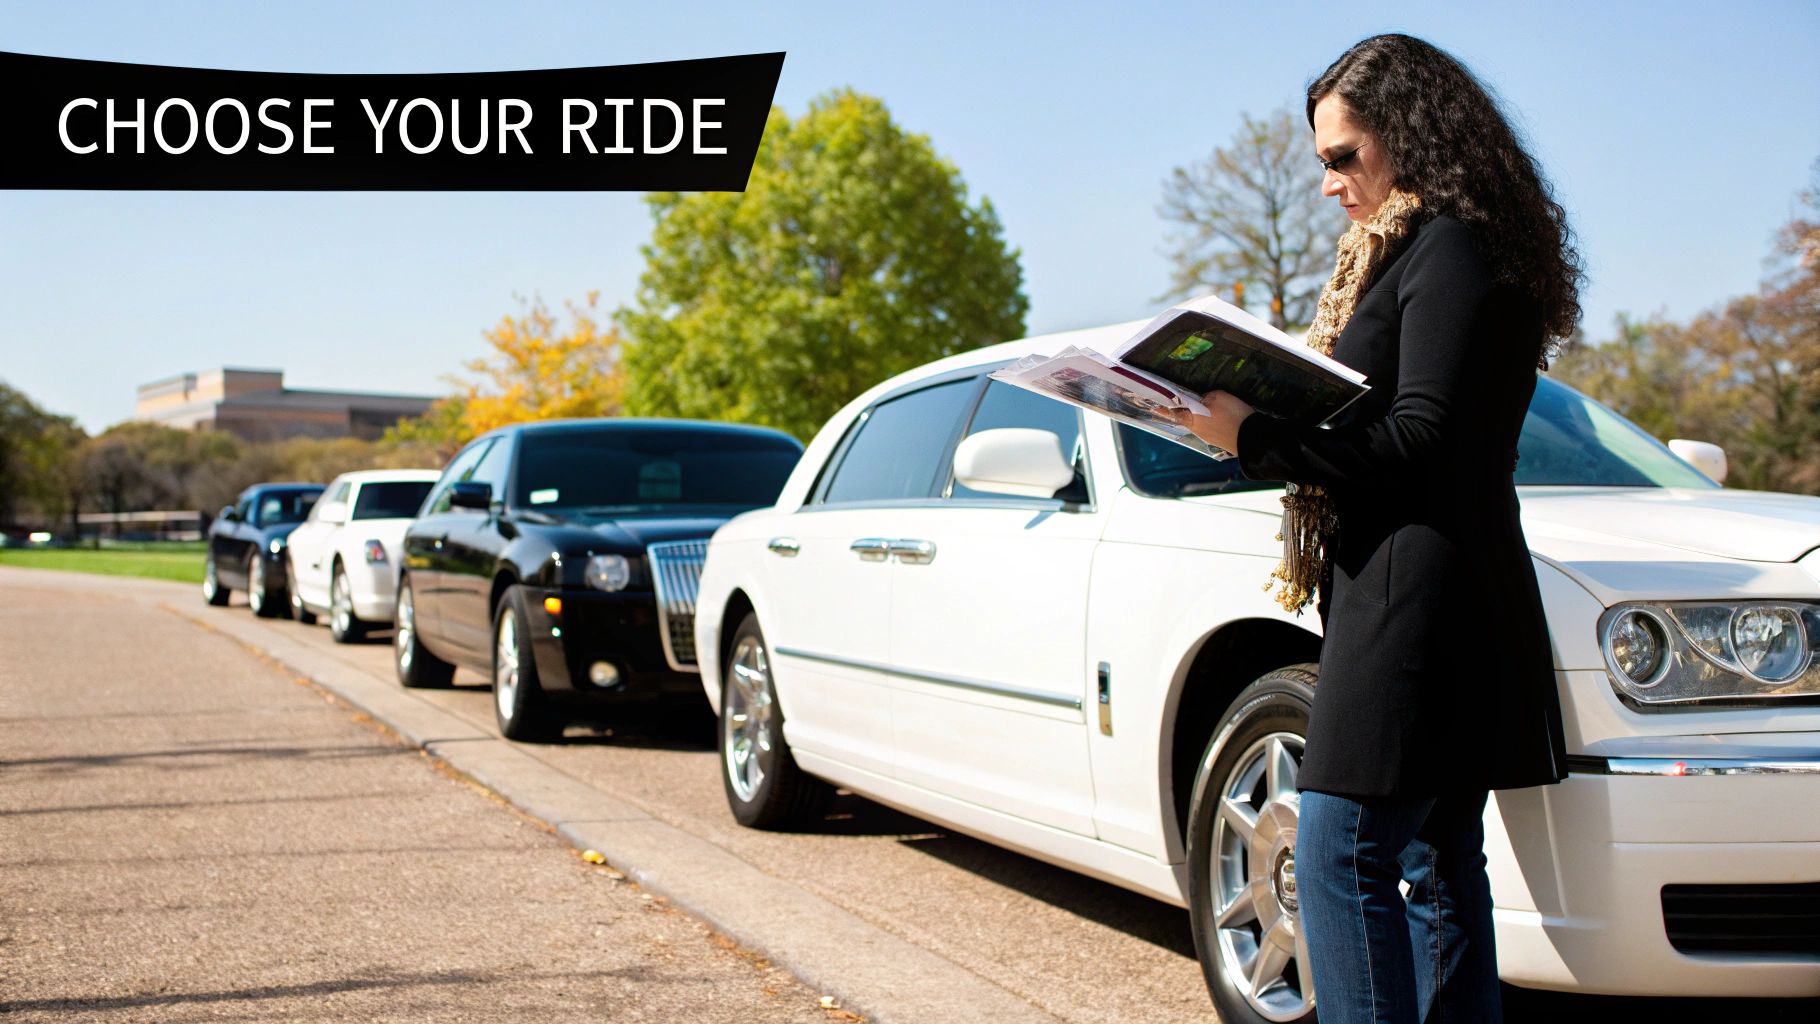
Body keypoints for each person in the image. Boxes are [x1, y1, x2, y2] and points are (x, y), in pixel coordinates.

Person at [1159, 33, 1583, 1024]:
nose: (1327, 184)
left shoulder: (1449, 249)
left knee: (1339, 851)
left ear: (1409, 136)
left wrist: (1254, 433)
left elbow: (1419, 441)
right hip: (1434, 587)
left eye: (1341, 157)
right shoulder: (1446, 248)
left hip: (1416, 601)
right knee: (1437, 867)